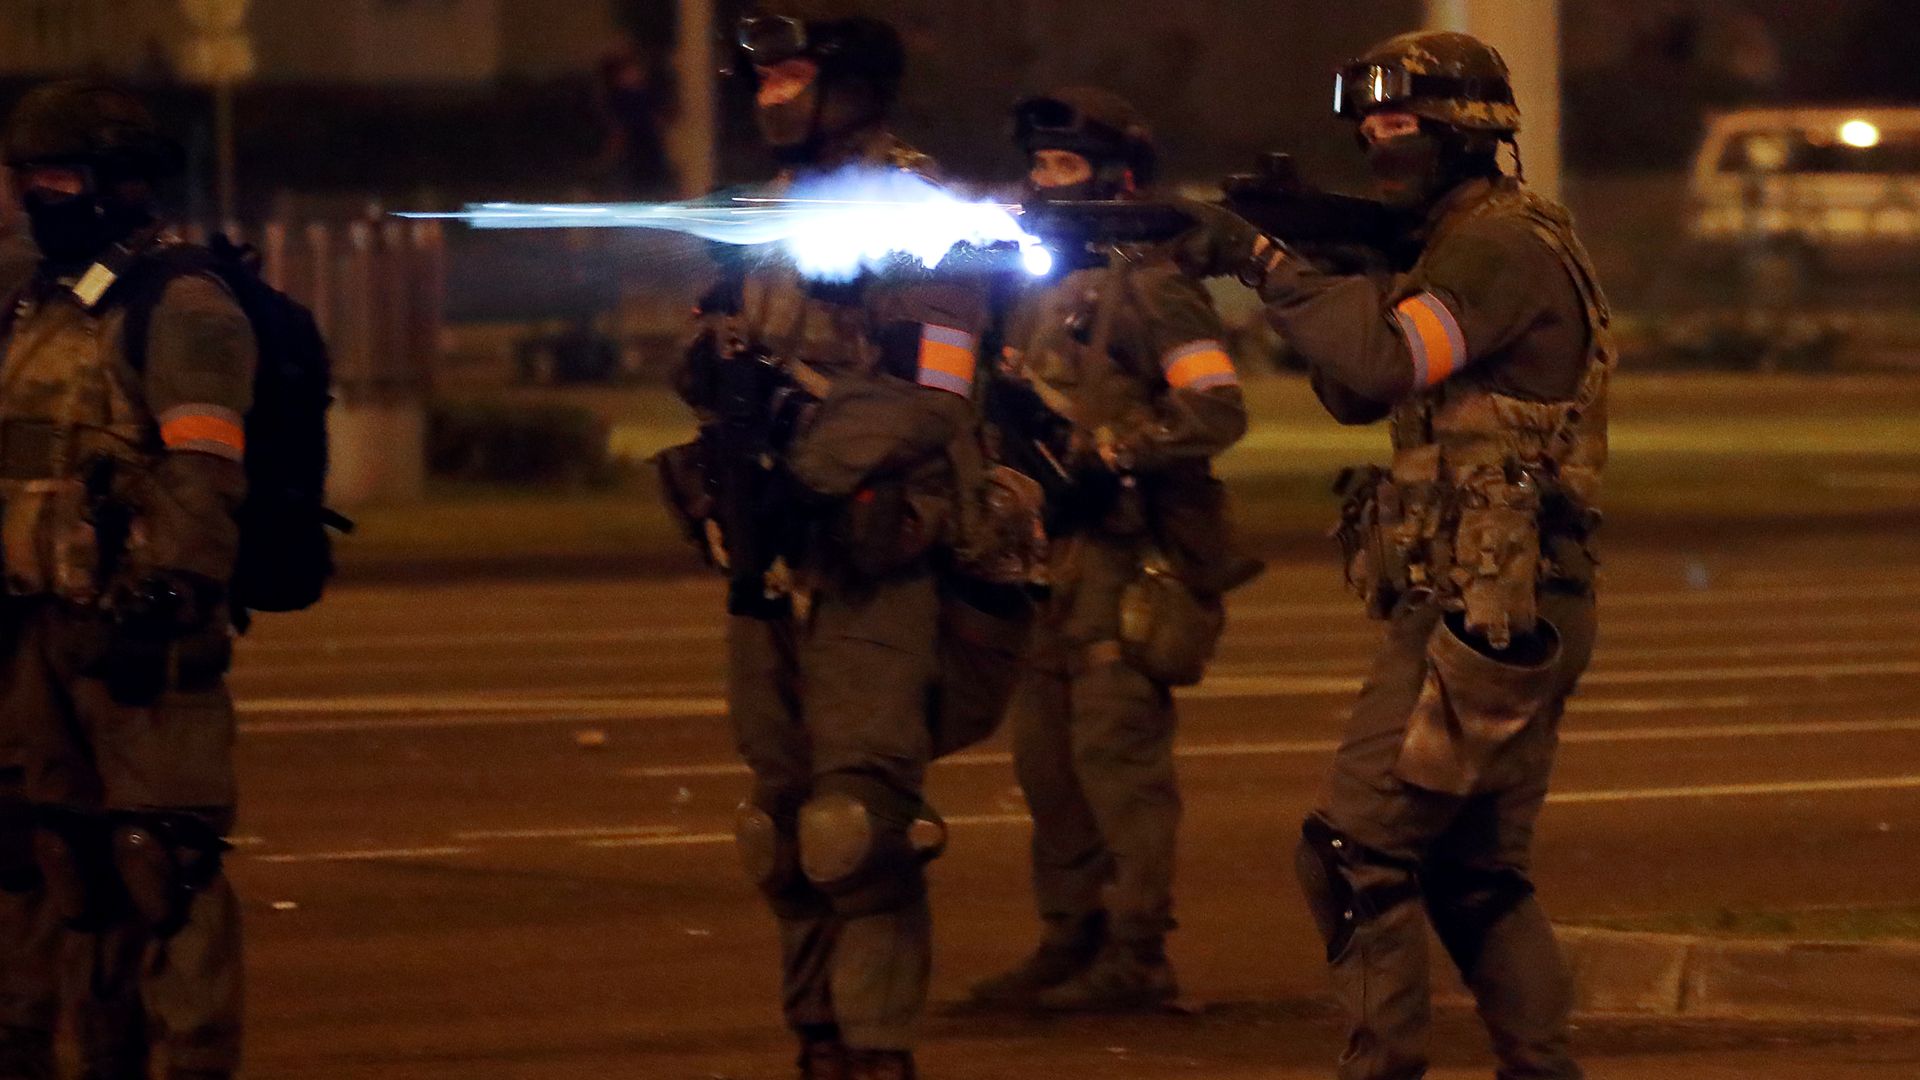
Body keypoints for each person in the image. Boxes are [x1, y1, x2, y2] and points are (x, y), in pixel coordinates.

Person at [1177, 29, 1609, 1080]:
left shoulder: (1499, 246)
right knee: (1472, 873)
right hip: (1502, 596)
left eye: (1401, 124)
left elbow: (1383, 355)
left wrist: (1261, 262)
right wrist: (1339, 271)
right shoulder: (1454, 243)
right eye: (1368, 127)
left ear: (1469, 131)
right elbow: (1357, 391)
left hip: (1490, 603)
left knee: (1355, 850)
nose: (1380, 142)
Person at [669, 5, 991, 1077]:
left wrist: (807, 466)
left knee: (857, 828)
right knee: (778, 823)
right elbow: (709, 347)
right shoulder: (757, 211)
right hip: (769, 555)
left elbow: (932, 392)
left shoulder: (914, 209)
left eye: (791, 76)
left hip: (869, 553)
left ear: (849, 85)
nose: (771, 96)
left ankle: (878, 1050)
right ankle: (815, 1040)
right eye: (761, 81)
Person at [967, 88, 1252, 1012]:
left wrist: (1115, 453)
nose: (1048, 183)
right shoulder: (1026, 286)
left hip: (1127, 558)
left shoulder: (1155, 289)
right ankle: (1068, 936)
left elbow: (1216, 407)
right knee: (1044, 764)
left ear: (1116, 180)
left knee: (1116, 761)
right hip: (1045, 560)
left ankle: (1137, 952)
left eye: (1067, 167)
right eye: (1040, 165)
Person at [0, 81, 254, 1080]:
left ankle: (189, 1060)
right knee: (59, 864)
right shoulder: (38, 300)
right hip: (34, 634)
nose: (35, 197)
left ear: (123, 185)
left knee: (164, 865)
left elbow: (204, 462)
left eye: (57, 177)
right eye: (26, 179)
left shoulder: (180, 304)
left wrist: (169, 593)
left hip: (137, 642)